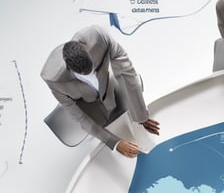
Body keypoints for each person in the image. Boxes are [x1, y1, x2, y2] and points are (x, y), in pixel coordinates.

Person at [41, 24, 160, 157]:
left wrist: (141, 116)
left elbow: (127, 73)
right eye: (84, 75)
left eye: (93, 69)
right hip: (85, 103)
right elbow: (80, 117)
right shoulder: (53, 78)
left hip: (109, 89)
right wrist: (114, 143)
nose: (91, 75)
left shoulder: (99, 37)